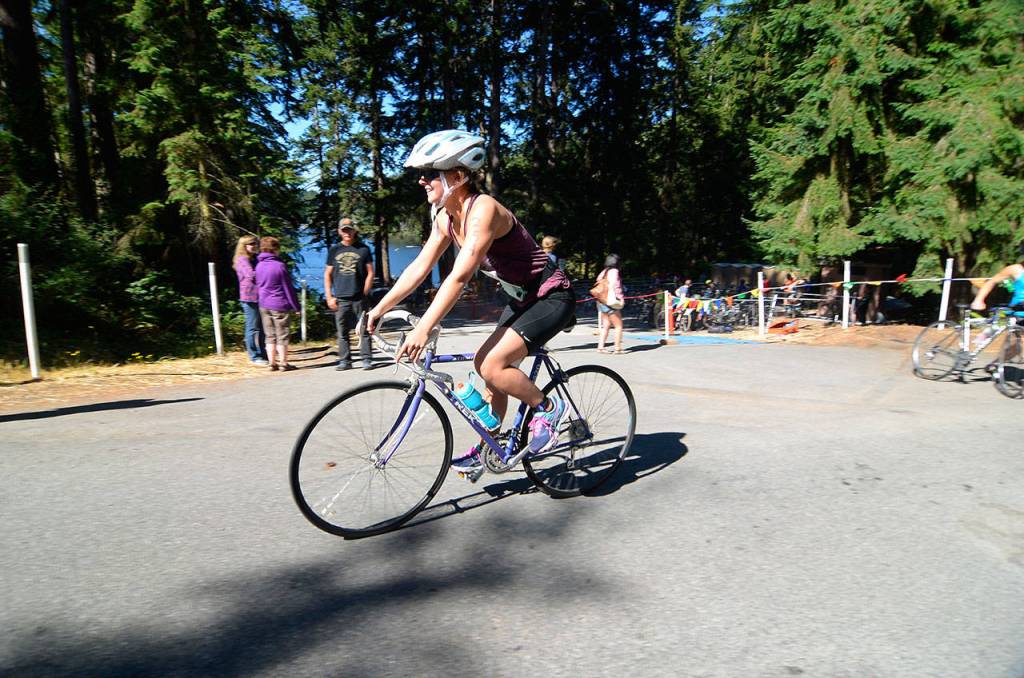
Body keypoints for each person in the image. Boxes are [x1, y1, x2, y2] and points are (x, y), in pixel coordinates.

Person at [366, 130, 575, 482]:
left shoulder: (484, 211)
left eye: (432, 173)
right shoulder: (446, 217)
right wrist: (379, 308)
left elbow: (460, 277)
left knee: (491, 364)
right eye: (424, 173)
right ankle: (491, 449)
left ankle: (550, 408)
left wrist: (423, 327)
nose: (423, 180)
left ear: (459, 176)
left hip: (551, 296)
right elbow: (420, 266)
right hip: (522, 298)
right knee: (489, 372)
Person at [325, 217, 374, 370]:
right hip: (340, 298)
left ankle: (366, 359)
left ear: (354, 231)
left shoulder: (363, 249)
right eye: (344, 230)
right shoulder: (334, 250)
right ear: (340, 232)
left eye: (349, 230)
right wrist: (329, 296)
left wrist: (366, 289)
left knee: (363, 329)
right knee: (342, 331)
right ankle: (345, 360)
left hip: (359, 297)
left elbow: (370, 272)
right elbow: (327, 274)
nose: (347, 233)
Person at [254, 236, 301, 371]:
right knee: (282, 334)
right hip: (279, 304)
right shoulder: (279, 266)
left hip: (263, 304)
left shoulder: (258, 266)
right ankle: (283, 363)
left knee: (269, 334)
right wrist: (296, 306)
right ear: (274, 249)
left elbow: (258, 285)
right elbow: (288, 288)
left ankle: (271, 363)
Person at [232, 235, 268, 365]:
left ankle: (263, 353)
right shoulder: (242, 260)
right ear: (244, 246)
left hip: (260, 297)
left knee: (262, 328)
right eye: (251, 244)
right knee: (252, 327)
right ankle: (254, 356)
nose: (255, 246)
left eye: (256, 244)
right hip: (249, 298)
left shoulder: (254, 259)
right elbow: (251, 275)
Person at [595, 254, 625, 354]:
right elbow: (615, 286)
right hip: (611, 301)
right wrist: (620, 299)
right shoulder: (614, 272)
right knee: (618, 325)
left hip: (601, 300)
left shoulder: (603, 272)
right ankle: (617, 348)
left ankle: (600, 347)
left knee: (606, 325)